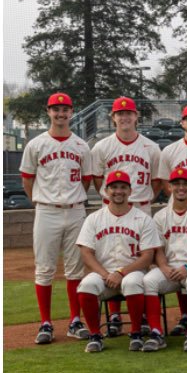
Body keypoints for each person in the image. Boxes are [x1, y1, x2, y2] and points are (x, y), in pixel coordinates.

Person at [22, 92, 95, 344]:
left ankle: (75, 320)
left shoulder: (81, 145)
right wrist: (41, 200)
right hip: (46, 210)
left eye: (65, 109)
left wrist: (72, 199)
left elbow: (86, 180)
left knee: (75, 269)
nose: (61, 114)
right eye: (56, 109)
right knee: (44, 269)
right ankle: (45, 323)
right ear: (48, 111)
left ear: (71, 112)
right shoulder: (36, 144)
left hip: (75, 209)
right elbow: (27, 179)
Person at [75, 171, 163, 352]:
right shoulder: (94, 219)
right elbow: (86, 253)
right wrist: (106, 274)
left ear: (130, 191)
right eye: (114, 187)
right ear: (106, 191)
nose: (118, 191)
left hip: (133, 272)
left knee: (131, 283)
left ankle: (136, 333)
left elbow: (147, 257)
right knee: (86, 286)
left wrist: (121, 272)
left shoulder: (143, 219)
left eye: (123, 187)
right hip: (104, 272)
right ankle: (95, 335)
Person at [143, 167, 187, 352]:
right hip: (169, 266)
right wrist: (164, 267)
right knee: (149, 281)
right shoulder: (160, 216)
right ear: (170, 187)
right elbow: (157, 248)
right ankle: (156, 333)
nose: (181, 187)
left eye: (185, 183)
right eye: (176, 183)